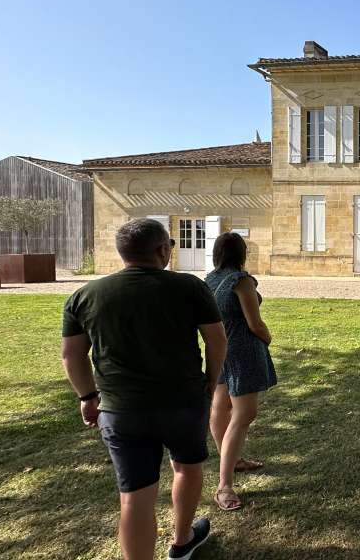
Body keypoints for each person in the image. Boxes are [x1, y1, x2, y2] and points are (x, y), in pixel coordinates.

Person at [60, 218, 226, 560]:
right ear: (162, 249)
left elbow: (72, 354)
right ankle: (182, 540)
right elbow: (216, 339)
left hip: (121, 410)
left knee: (135, 493)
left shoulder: (85, 295)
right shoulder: (189, 287)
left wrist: (87, 396)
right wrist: (212, 379)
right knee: (187, 467)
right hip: (182, 401)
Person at [205, 232, 276, 512]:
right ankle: (224, 485)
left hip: (218, 348)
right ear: (242, 253)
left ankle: (231, 459)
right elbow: (255, 323)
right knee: (244, 413)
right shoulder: (241, 281)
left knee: (220, 408)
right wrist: (267, 337)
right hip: (242, 349)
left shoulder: (209, 280)